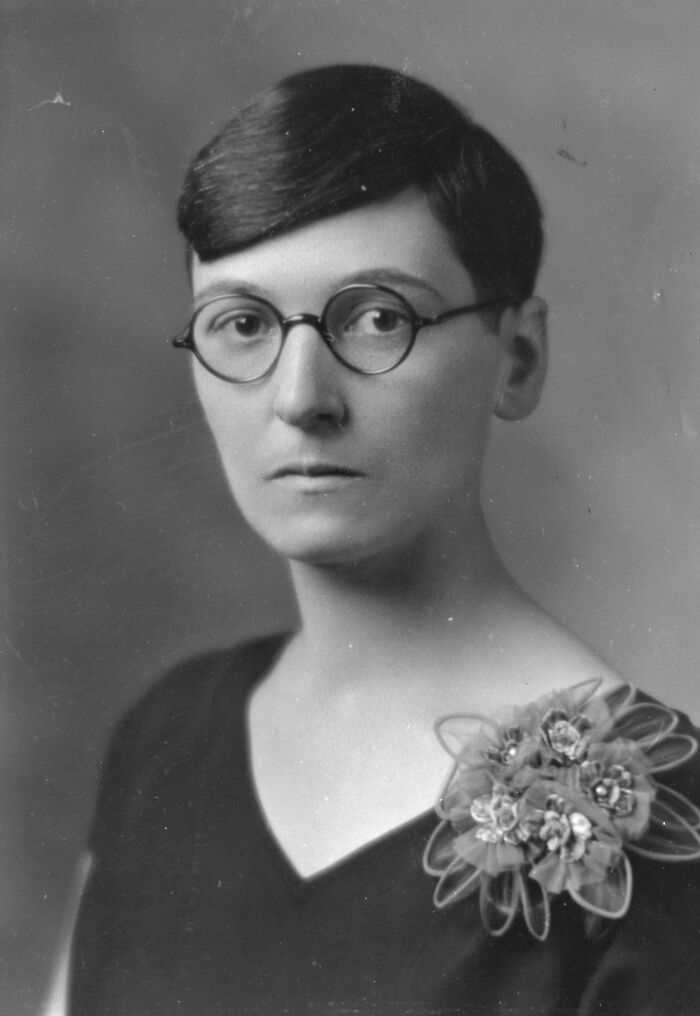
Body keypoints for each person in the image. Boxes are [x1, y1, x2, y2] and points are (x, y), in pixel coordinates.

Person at [68, 64, 700, 1015]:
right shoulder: (165, 736)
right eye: (241, 324)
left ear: (518, 358)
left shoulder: (658, 816)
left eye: (377, 318)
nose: (300, 398)